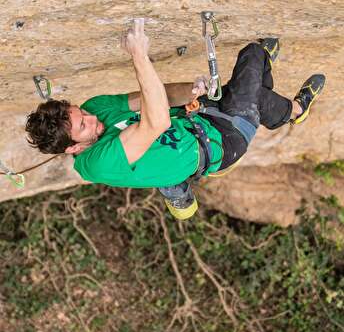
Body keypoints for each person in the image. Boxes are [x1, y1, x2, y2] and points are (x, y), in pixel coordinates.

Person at [25, 18, 325, 219]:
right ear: (73, 148)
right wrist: (139, 56)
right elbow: (157, 123)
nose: (92, 118)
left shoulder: (96, 110)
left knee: (247, 88)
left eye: (83, 113)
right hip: (222, 142)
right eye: (83, 125)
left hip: (197, 118)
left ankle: (176, 184)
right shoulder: (96, 163)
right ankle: (296, 111)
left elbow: (154, 98)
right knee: (253, 57)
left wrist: (192, 91)